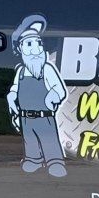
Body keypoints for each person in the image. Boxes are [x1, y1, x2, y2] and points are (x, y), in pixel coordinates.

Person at [7, 15, 68, 176]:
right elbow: (15, 88)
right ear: (21, 48)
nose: (35, 49)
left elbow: (59, 89)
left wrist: (52, 97)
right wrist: (11, 97)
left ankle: (55, 162)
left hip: (44, 115)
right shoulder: (21, 72)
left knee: (49, 139)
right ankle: (33, 160)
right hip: (25, 117)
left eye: (38, 43)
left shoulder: (47, 69)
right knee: (30, 140)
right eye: (29, 44)